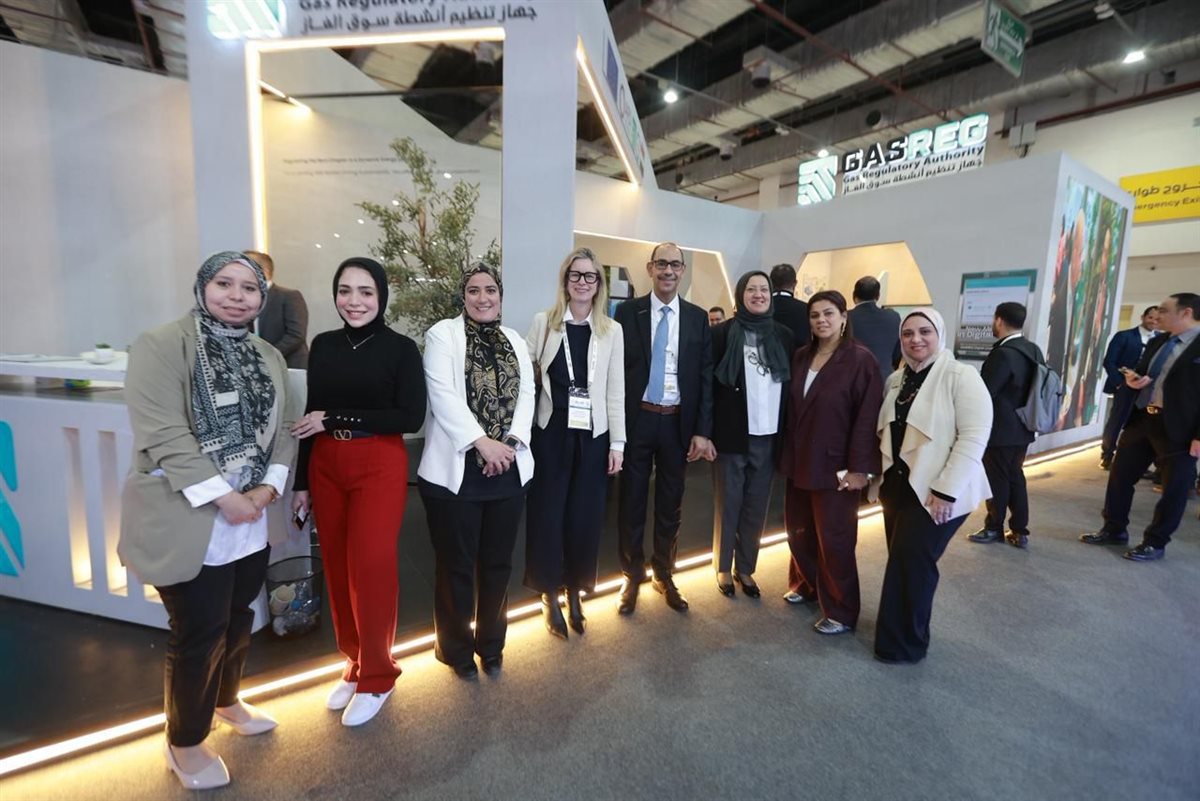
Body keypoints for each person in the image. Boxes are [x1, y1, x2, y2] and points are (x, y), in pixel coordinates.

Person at [118, 251, 296, 790]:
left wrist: (266, 488)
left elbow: (284, 428)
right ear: (203, 286)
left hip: (251, 516)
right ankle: (185, 740)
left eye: (249, 288)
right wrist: (226, 498)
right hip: (192, 516)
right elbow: (164, 434)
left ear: (262, 298)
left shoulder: (268, 355)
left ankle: (226, 700)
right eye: (224, 283)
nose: (236, 296)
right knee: (198, 631)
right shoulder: (161, 345)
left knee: (238, 617)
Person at [290, 257, 425, 727]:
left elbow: (409, 417)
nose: (354, 301)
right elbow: (312, 414)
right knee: (337, 566)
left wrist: (336, 418)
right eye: (344, 291)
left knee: (371, 566)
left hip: (378, 460)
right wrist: (302, 482)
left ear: (381, 296)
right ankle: (355, 661)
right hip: (326, 463)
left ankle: (379, 675)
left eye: (366, 292)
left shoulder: (401, 349)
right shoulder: (324, 346)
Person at [419, 262, 534, 677]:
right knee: (456, 567)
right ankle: (456, 650)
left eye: (490, 290)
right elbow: (443, 395)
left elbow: (528, 393)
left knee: (499, 565)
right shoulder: (442, 335)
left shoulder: (515, 339)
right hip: (456, 474)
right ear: (463, 296)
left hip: (507, 469)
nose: (483, 298)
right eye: (473, 290)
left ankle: (491, 645)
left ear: (500, 296)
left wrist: (509, 444)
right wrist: (483, 443)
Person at [873, 308, 992, 664]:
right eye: (908, 333)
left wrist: (945, 491)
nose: (916, 339)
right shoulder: (898, 379)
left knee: (913, 562)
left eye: (925, 331)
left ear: (939, 334)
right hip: (899, 485)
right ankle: (900, 634)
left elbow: (974, 436)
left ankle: (905, 645)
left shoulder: (961, 376)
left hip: (938, 490)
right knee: (903, 561)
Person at [524, 247, 625, 639]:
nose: (583, 282)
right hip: (551, 433)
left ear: (598, 284)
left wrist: (618, 443)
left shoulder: (611, 330)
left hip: (593, 436)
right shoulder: (544, 322)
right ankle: (549, 593)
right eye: (575, 275)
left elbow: (615, 391)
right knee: (548, 515)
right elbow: (525, 375)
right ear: (565, 281)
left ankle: (575, 590)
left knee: (584, 517)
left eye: (590, 276)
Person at [614, 242, 715, 614]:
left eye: (675, 264)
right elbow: (616, 370)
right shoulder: (628, 312)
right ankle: (632, 575)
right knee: (632, 501)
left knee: (671, 503)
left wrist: (702, 430)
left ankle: (664, 572)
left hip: (677, 422)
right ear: (650, 268)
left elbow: (705, 376)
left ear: (682, 270)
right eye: (661, 264)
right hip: (638, 419)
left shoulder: (697, 317)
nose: (668, 270)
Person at [778, 290, 882, 634]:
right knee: (799, 530)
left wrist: (860, 469)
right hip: (799, 460)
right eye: (814, 315)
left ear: (843, 318)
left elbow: (866, 419)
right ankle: (806, 584)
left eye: (828, 313)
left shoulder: (860, 360)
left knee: (835, 539)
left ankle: (841, 609)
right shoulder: (801, 356)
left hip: (837, 467)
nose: (821, 320)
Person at [1081, 293, 1200, 561]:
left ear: (1186, 313)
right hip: (1142, 419)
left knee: (1174, 489)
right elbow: (1145, 374)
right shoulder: (1159, 341)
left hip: (1180, 429)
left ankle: (1155, 542)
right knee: (1120, 477)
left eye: (1165, 310)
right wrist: (1134, 380)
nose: (1158, 315)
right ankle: (1113, 529)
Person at [710, 272, 794, 600]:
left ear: (771, 295)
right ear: (740, 295)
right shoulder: (722, 334)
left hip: (769, 434)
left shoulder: (784, 335)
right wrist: (705, 432)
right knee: (728, 502)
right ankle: (722, 567)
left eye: (764, 290)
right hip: (731, 434)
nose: (758, 295)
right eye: (751, 289)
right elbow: (708, 388)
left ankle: (745, 567)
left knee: (756, 505)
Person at [968, 302, 1043, 549]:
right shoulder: (1033, 349)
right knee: (1015, 477)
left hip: (1001, 430)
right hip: (1024, 426)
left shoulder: (1002, 353)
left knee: (997, 479)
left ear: (999, 320)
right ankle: (1020, 530)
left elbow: (985, 393)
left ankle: (994, 527)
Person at [1099, 305, 1160, 469]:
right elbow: (1109, 361)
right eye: (1150, 317)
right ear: (1143, 317)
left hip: (1148, 388)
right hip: (1125, 386)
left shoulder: (1161, 339)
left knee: (1142, 423)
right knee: (1117, 421)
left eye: (1157, 319)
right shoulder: (1124, 336)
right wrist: (1119, 383)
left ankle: (1135, 460)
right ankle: (1107, 455)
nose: (1154, 321)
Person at [244, 250, 310, 369]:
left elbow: (296, 335)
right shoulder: (244, 299)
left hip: (289, 365)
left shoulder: (289, 296)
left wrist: (266, 356)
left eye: (246, 268)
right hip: (256, 367)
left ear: (264, 271)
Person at [848, 275, 902, 382]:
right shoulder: (893, 317)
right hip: (884, 379)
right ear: (878, 296)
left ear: (853, 295)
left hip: (852, 379)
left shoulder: (845, 318)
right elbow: (898, 353)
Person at [768, 263, 810, 345]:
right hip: (798, 352)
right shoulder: (807, 308)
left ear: (771, 283)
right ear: (795, 283)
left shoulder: (761, 308)